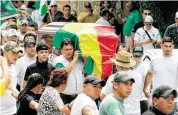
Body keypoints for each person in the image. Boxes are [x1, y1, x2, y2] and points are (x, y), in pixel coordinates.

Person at [100, 51, 143, 115]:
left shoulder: (113, 77)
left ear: (118, 65)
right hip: (136, 112)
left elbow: (104, 96)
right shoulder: (138, 75)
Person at [144, 37, 178, 114]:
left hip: (172, 99)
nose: (168, 49)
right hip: (157, 99)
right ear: (161, 46)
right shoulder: (155, 59)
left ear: (173, 47)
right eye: (166, 46)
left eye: (170, 46)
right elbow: (149, 74)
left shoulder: (177, 60)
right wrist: (145, 88)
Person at [52, 38, 85, 104]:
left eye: (70, 49)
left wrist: (86, 62)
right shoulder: (57, 60)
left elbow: (86, 74)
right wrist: (75, 59)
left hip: (79, 97)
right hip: (64, 97)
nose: (69, 51)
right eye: (66, 49)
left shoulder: (80, 61)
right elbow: (65, 73)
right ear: (61, 50)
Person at [0, 41, 22, 115]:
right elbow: (6, 85)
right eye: (13, 53)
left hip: (12, 110)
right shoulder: (1, 68)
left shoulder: (12, 66)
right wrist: (18, 94)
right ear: (5, 53)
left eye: (17, 53)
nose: (16, 56)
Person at [132, 46, 150, 114]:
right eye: (135, 55)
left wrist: (146, 89)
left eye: (139, 56)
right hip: (130, 99)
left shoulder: (144, 66)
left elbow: (147, 79)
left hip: (141, 98)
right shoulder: (129, 65)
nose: (137, 58)